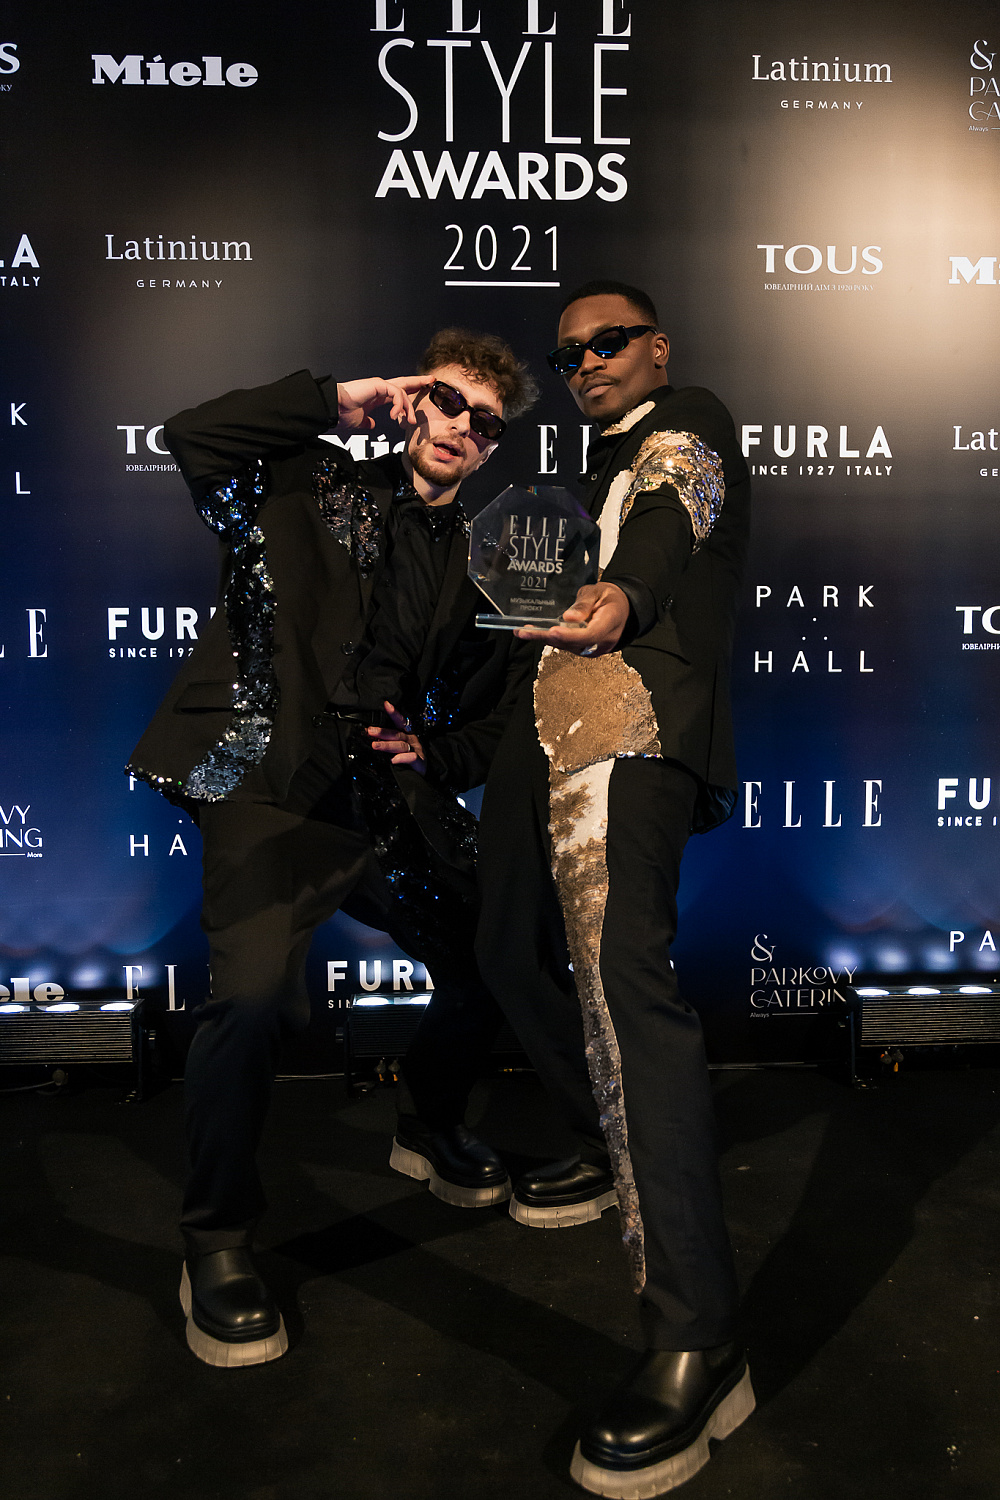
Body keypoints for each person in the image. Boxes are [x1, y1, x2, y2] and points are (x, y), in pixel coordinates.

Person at [127, 329, 537, 1368]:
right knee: (254, 999)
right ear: (416, 402)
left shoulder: (491, 558)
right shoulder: (308, 480)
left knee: (494, 943)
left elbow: (507, 702)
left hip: (381, 797)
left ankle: (427, 1123)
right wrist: (329, 399)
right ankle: (216, 1242)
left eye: (486, 423)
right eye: (449, 401)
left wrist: (436, 754)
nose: (462, 426)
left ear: (494, 448)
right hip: (264, 780)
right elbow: (191, 438)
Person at [474, 281, 753, 1495]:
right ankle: (603, 1144)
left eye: (607, 342)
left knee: (626, 1000)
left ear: (657, 348)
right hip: (542, 736)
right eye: (567, 353)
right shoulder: (575, 480)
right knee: (501, 947)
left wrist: (627, 595)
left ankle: (699, 1338)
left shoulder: (688, 424)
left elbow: (672, 512)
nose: (585, 361)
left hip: (628, 728)